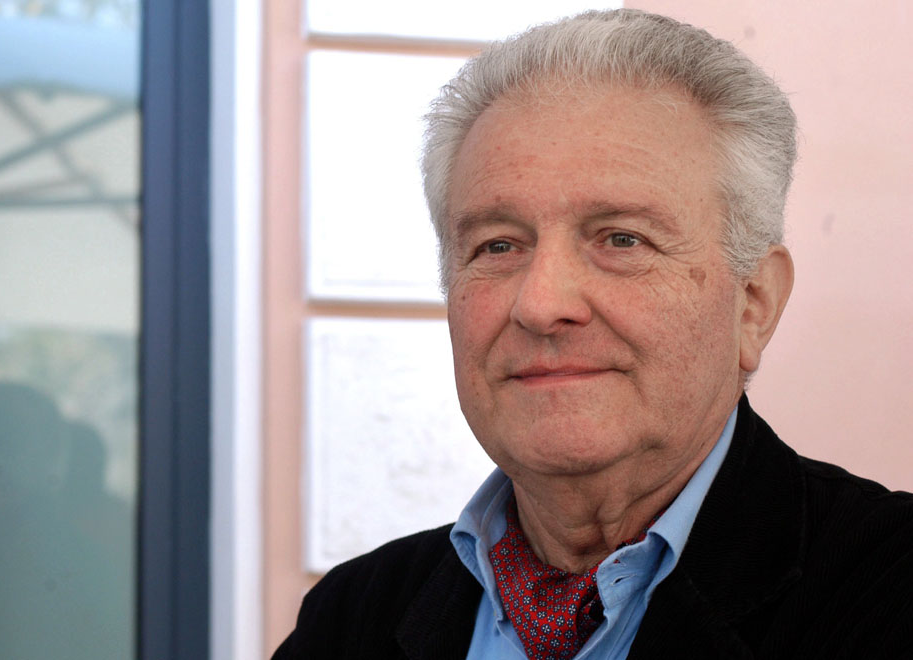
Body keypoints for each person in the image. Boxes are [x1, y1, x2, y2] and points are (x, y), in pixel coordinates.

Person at [274, 8, 913, 660]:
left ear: (753, 303)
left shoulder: (892, 594)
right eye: (498, 245)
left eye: (622, 239)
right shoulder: (350, 618)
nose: (541, 304)